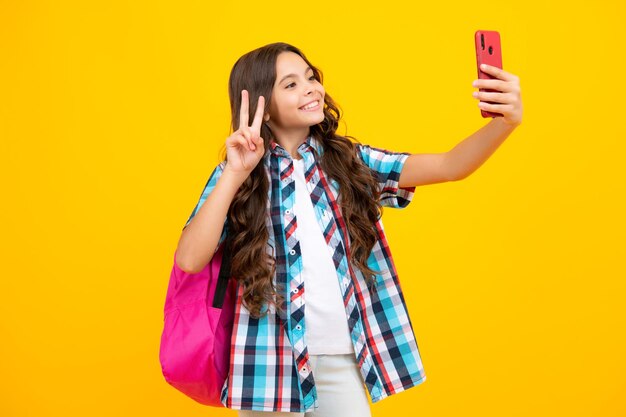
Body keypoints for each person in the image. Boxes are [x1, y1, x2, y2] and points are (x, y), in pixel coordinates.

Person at [174, 42, 523, 417]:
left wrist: (505, 123)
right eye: (290, 84)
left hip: (342, 362)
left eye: (310, 77)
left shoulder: (348, 163)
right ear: (263, 105)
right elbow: (190, 259)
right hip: (268, 367)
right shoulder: (239, 174)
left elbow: (451, 165)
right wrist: (235, 172)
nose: (310, 88)